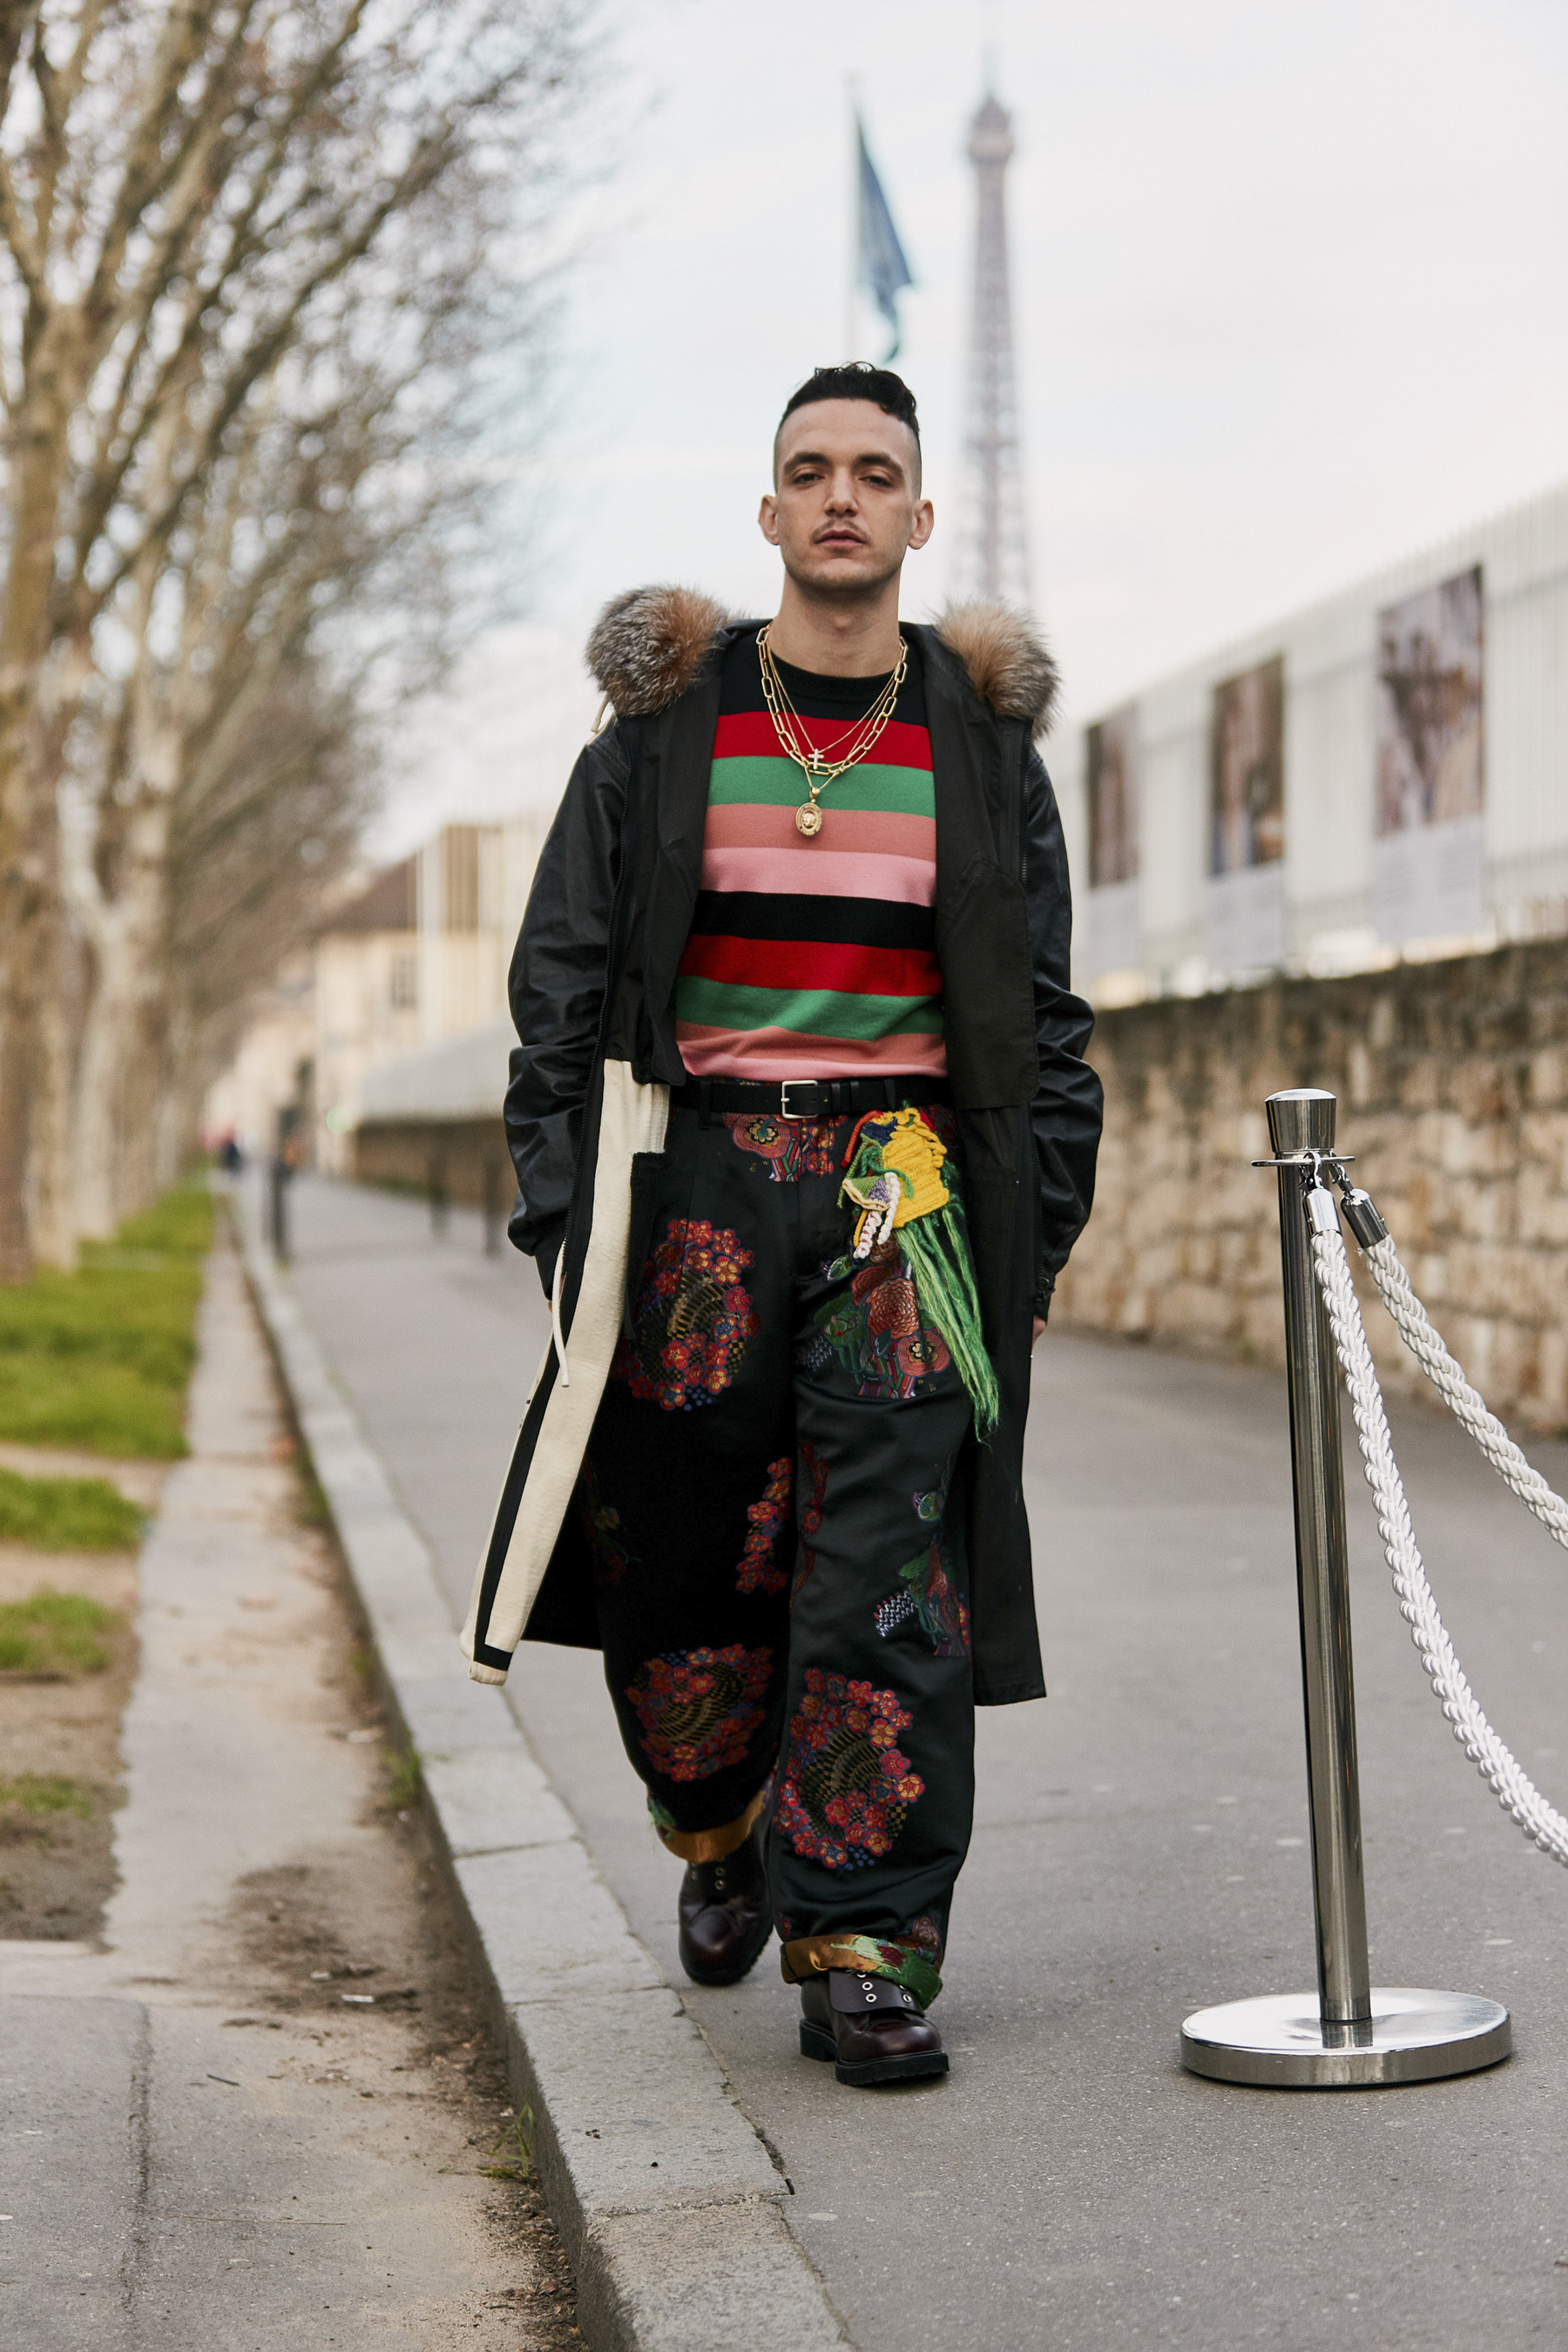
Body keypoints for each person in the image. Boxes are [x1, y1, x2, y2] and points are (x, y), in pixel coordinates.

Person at [463, 363, 1103, 2087]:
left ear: (918, 515)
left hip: (910, 1194)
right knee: (687, 1565)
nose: (841, 497)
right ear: (768, 511)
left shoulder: (982, 748)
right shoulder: (665, 730)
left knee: (890, 1578)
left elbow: (1046, 1024)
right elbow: (559, 989)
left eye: (873, 473)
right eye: (810, 470)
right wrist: (562, 1223)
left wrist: (1031, 1244)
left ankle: (868, 1949)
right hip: (698, 1192)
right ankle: (719, 1821)